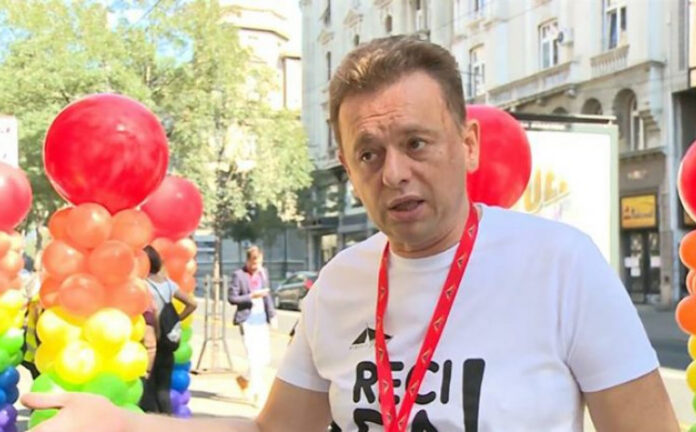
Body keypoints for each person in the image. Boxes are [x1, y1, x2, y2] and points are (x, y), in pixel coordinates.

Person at [22, 36, 679, 432]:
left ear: (468, 143)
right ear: (348, 166)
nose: (394, 173)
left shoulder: (561, 265)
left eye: (416, 143)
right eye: (369, 153)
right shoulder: (339, 282)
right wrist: (125, 423)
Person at [139, 245, 197, 415]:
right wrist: (176, 319)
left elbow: (154, 312)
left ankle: (155, 423)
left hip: (152, 339)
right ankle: (169, 420)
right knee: (163, 388)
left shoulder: (143, 285)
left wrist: (157, 330)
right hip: (169, 340)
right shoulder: (168, 284)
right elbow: (192, 304)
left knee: (149, 388)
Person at [228, 245, 276, 407]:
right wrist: (251, 296)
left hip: (261, 319)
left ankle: (245, 379)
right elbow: (232, 298)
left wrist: (272, 315)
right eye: (254, 263)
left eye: (259, 263)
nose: (257, 267)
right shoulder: (239, 275)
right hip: (247, 320)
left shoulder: (263, 273)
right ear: (248, 261)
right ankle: (257, 394)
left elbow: (267, 296)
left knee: (265, 358)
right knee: (254, 358)